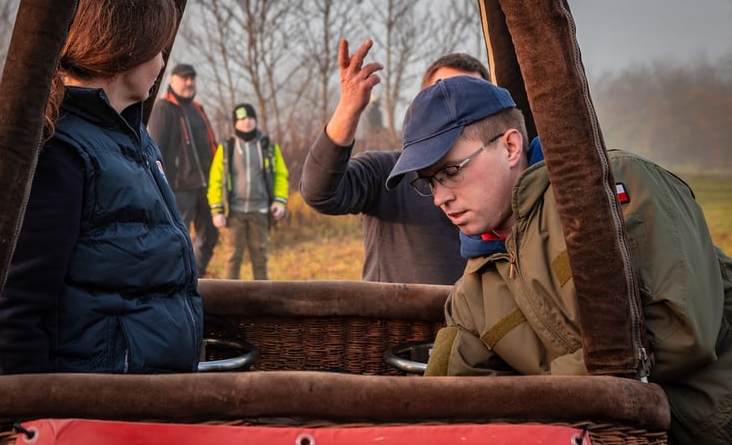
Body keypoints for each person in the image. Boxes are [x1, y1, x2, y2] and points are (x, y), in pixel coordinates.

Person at [385, 75, 732, 445]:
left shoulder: (608, 192)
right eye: (431, 182)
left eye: (452, 171)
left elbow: (681, 331)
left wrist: (546, 395)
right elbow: (463, 399)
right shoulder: (474, 290)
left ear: (510, 147)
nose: (440, 197)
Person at [0, 0, 203, 375]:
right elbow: (15, 311)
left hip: (149, 389)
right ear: (126, 49)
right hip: (99, 399)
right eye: (157, 49)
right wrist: (33, 410)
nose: (161, 63)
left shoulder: (133, 138)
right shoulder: (62, 153)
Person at [300, 38, 490, 284]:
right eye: (443, 95)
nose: (457, 110)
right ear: (422, 106)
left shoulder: (503, 183)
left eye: (470, 97)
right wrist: (348, 108)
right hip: (395, 311)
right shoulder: (386, 173)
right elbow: (319, 193)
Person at [147, 63, 219, 277]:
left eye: (192, 78)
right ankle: (174, 278)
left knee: (211, 236)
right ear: (172, 80)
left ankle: (196, 275)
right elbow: (156, 149)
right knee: (177, 239)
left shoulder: (197, 108)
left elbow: (211, 144)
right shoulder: (163, 108)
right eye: (184, 78)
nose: (189, 82)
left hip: (204, 186)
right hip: (179, 187)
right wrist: (163, 187)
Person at [207, 103, 288, 280]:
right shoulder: (226, 148)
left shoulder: (268, 147)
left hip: (260, 212)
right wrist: (217, 210)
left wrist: (280, 201)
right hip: (233, 213)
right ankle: (228, 297)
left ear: (255, 120)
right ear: (235, 122)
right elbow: (215, 180)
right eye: (242, 118)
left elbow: (281, 175)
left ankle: (263, 296)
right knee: (232, 258)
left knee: (260, 259)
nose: (247, 122)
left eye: (250, 117)